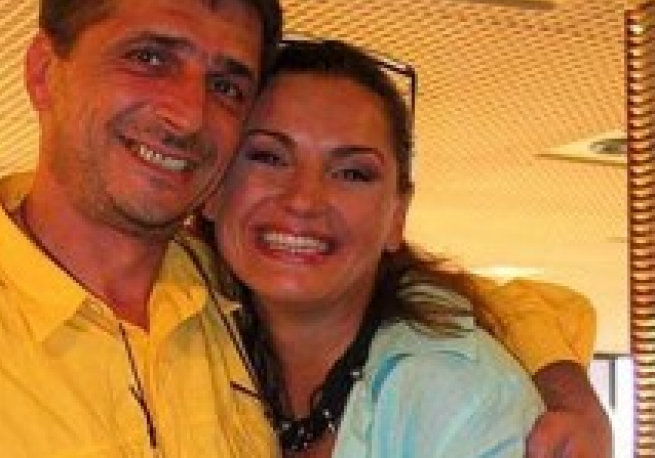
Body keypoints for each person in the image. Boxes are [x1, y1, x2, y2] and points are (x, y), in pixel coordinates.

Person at [0, 0, 609, 456]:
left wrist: (563, 385)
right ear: (43, 72)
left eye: (226, 83)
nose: (186, 113)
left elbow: (461, 303)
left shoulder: (219, 296)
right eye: (149, 57)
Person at [201, 37, 609, 457]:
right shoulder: (186, 340)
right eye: (269, 157)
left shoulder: (457, 399)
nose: (303, 199)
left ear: (397, 215)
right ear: (212, 186)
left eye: (352, 173)